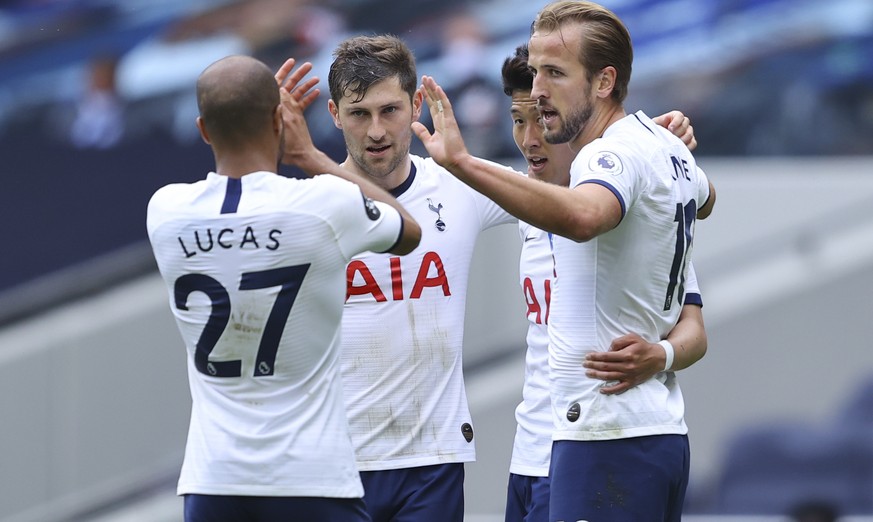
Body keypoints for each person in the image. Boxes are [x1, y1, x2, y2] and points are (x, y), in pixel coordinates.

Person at [304, 34, 704, 522]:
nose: (376, 130)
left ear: (415, 108)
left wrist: (652, 146)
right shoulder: (309, 206)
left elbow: (586, 189)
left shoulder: (471, 188)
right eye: (359, 113)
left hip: (448, 459)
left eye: (389, 111)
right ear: (333, 114)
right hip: (344, 461)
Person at [412, 1, 717, 519]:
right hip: (601, 439)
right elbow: (707, 198)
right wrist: (669, 149)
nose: (538, 91)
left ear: (603, 83)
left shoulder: (606, 160)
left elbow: (583, 217)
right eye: (535, 74)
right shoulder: (654, 151)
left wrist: (462, 162)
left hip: (604, 434)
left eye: (553, 73)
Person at [146, 54, 420, 522]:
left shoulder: (165, 212)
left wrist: (249, 109)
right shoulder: (323, 206)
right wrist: (307, 157)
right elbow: (408, 229)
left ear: (203, 129)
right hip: (311, 477)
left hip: (213, 481)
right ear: (280, 120)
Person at [499, 44, 708, 522]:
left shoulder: (637, 203)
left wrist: (661, 355)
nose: (532, 138)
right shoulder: (516, 201)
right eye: (518, 120)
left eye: (543, 118)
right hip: (529, 456)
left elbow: (694, 328)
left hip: (596, 439)